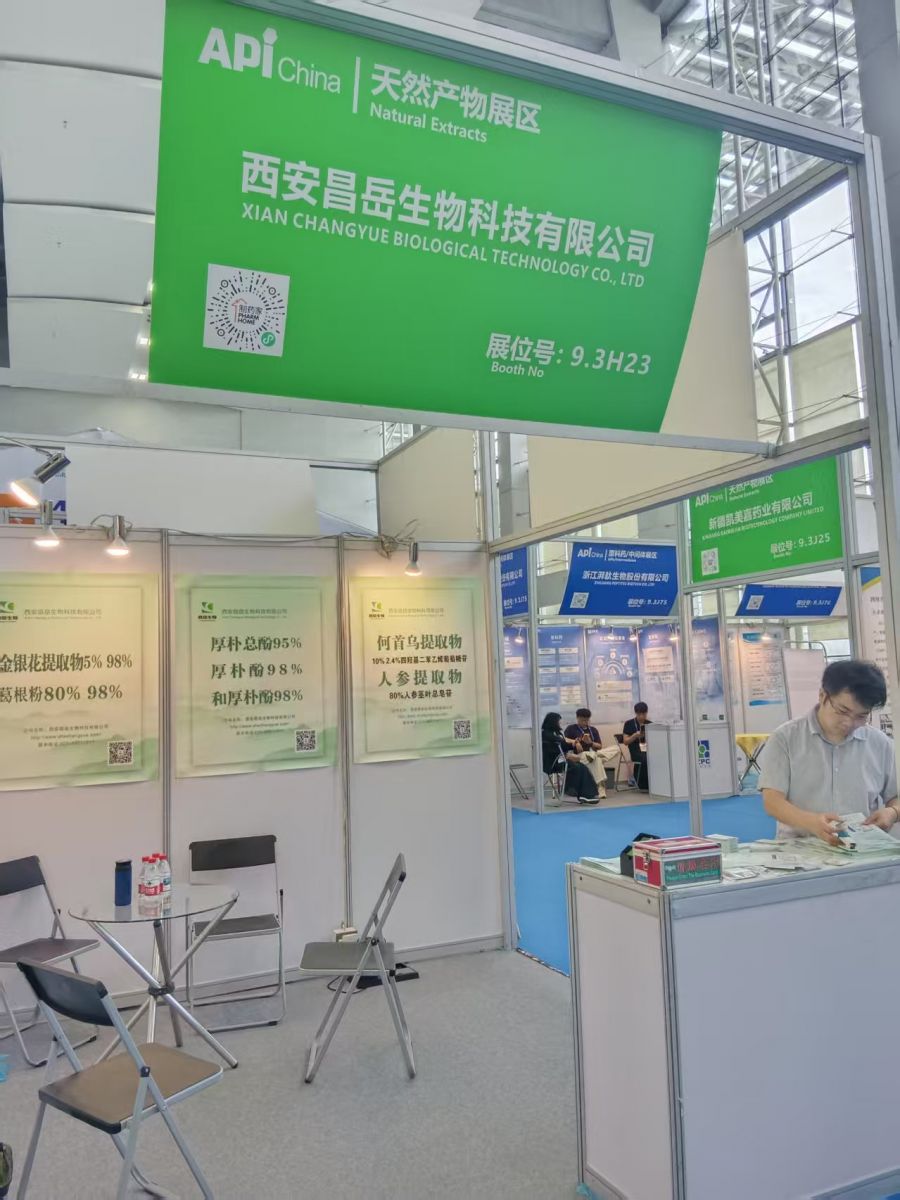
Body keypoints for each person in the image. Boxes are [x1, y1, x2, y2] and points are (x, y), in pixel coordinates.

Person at [759, 659, 898, 845]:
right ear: (822, 696)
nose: (849, 722)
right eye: (842, 711)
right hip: (801, 849)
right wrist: (811, 822)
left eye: (861, 716)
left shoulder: (880, 744)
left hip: (862, 850)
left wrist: (892, 812)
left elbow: (895, 796)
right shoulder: (785, 738)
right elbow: (772, 802)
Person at [540, 712, 599, 804]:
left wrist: (575, 744)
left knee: (582, 767)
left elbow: (563, 745)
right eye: (558, 722)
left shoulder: (556, 733)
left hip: (560, 760)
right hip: (552, 763)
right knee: (577, 767)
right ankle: (581, 793)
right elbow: (557, 747)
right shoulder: (546, 735)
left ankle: (586, 795)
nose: (560, 724)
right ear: (553, 722)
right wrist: (570, 750)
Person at [564, 708, 620, 800]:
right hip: (579, 755)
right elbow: (564, 740)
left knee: (616, 748)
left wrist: (590, 743)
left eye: (587, 720)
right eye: (582, 720)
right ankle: (601, 787)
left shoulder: (593, 730)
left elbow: (599, 746)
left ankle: (594, 756)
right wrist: (576, 742)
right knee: (595, 757)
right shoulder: (571, 728)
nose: (585, 722)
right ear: (577, 718)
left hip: (593, 753)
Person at [622, 702, 651, 790]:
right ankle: (643, 784)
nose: (641, 716)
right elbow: (625, 742)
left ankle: (655, 782)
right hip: (635, 751)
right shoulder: (629, 723)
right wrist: (634, 735)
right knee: (645, 758)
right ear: (636, 713)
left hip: (649, 749)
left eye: (644, 714)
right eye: (639, 714)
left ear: (646, 713)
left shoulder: (650, 724)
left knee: (655, 757)